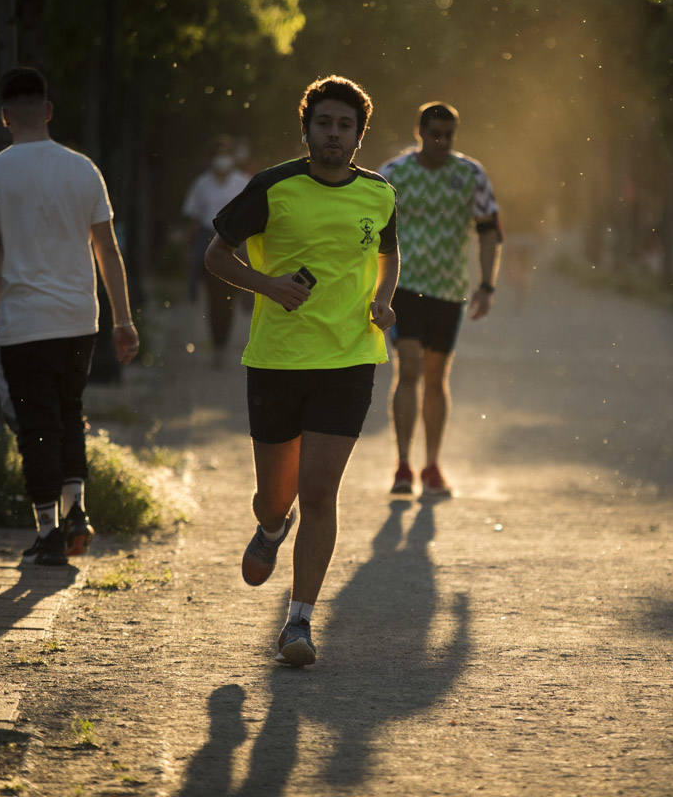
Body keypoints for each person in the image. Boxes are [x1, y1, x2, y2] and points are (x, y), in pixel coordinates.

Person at [205, 75, 399, 667]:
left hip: (349, 359)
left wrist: (383, 299)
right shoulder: (272, 187)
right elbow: (215, 255)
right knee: (275, 498)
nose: (334, 134)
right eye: (324, 123)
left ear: (359, 135)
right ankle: (271, 528)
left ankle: (299, 622)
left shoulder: (379, 194)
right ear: (307, 129)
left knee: (319, 492)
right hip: (277, 361)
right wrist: (269, 286)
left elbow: (388, 254)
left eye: (345, 125)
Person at [0, 67, 140, 566]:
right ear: (48, 110)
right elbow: (107, 248)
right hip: (79, 320)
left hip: (23, 323)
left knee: (35, 426)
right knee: (69, 413)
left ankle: (48, 533)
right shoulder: (83, 169)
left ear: (4, 116)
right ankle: (77, 512)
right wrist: (123, 319)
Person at [378, 102, 502, 497]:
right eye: (434, 134)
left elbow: (489, 231)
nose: (442, 142)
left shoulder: (470, 174)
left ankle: (431, 465)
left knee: (435, 377)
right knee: (409, 369)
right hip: (404, 285)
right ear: (420, 132)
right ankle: (402, 465)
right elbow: (367, 230)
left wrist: (487, 286)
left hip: (449, 289)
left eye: (448, 135)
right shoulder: (393, 174)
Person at [181, 136, 250, 365]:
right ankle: (217, 344)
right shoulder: (202, 184)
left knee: (230, 297)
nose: (222, 159)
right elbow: (194, 218)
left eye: (226, 154)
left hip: (236, 242)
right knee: (214, 299)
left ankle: (247, 301)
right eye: (218, 154)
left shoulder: (242, 182)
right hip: (209, 239)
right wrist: (190, 247)